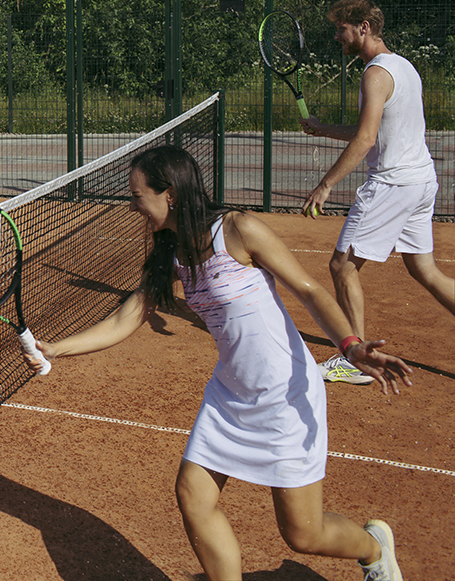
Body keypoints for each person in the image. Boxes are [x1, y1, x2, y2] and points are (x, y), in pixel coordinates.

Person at [29, 145, 411, 581]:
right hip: (230, 394)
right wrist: (58, 348)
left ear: (168, 194)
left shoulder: (237, 229)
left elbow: (310, 290)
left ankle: (374, 550)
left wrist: (350, 345)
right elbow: (130, 315)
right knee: (193, 495)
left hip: (284, 394)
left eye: (137, 196)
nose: (133, 205)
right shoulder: (170, 252)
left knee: (303, 534)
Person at [301, 0, 454, 385]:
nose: (337, 36)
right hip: (420, 181)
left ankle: (356, 360)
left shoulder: (374, 73)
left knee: (342, 266)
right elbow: (372, 130)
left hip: (392, 184)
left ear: (363, 27)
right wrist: (323, 130)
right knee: (425, 271)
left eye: (342, 29)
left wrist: (325, 185)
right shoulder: (403, 67)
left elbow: (367, 140)